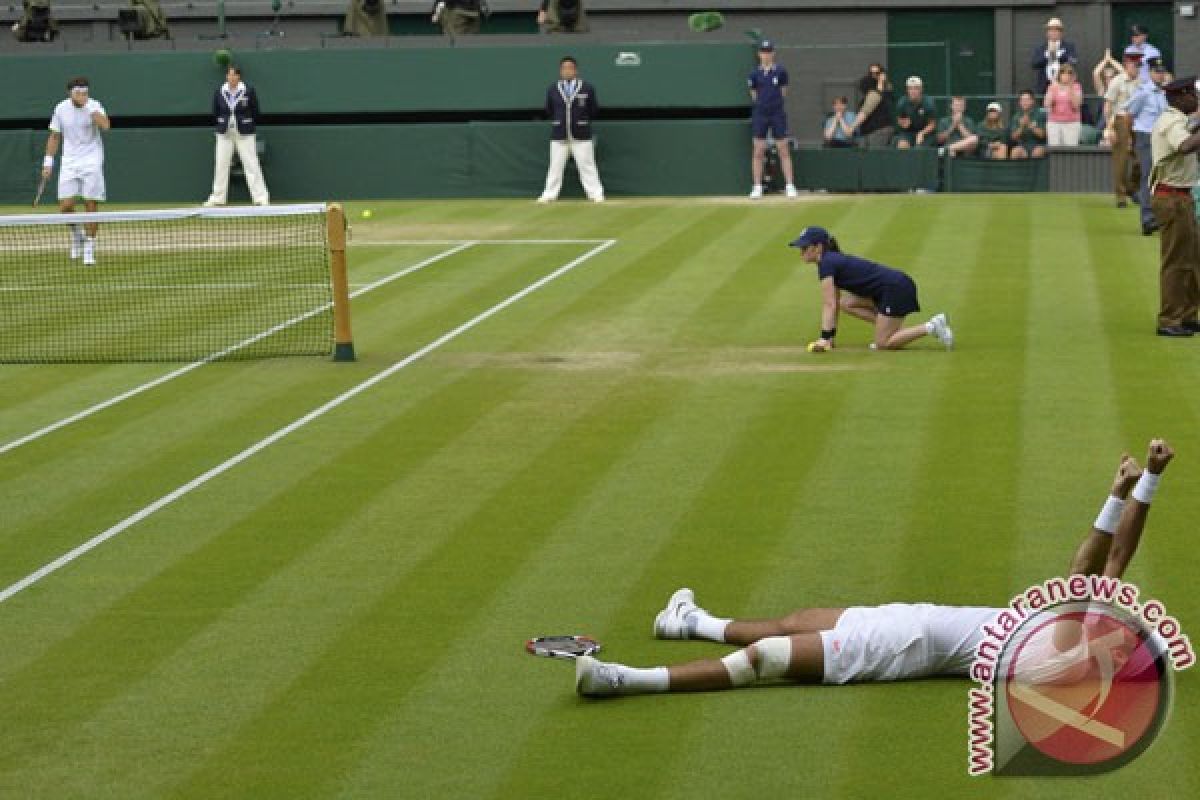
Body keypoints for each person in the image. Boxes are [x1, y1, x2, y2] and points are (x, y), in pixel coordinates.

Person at [575, 441, 1176, 697]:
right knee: (796, 621)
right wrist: (1150, 477)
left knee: (765, 662)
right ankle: (690, 621)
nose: (1127, 624)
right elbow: (1116, 559)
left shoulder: (1070, 657)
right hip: (912, 621)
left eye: (1131, 639)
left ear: (1119, 661)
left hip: (902, 646)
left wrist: (1116, 490)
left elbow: (1087, 565)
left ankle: (626, 679)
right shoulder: (1091, 639)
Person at [789, 225, 953, 352]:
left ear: (818, 247)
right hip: (888, 289)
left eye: (804, 248)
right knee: (846, 303)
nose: (801, 252)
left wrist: (823, 339)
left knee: (883, 344)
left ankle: (932, 326)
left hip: (895, 289)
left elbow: (829, 304)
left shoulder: (827, 263)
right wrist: (830, 338)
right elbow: (836, 304)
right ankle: (889, 328)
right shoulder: (829, 261)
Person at [1148, 77, 1200, 337]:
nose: (1196, 99)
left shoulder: (1179, 120)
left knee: (1191, 259)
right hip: (1172, 198)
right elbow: (1185, 145)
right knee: (1176, 261)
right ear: (1180, 97)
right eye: (1193, 95)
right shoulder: (1171, 122)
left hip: (1181, 196)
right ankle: (1169, 319)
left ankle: (1188, 315)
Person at [42, 77, 110, 267]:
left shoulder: (94, 105)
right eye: (78, 93)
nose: (82, 96)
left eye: (85, 93)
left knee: (91, 205)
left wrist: (88, 106)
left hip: (92, 160)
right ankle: (77, 235)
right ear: (70, 93)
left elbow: (105, 125)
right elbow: (55, 136)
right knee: (65, 206)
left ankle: (89, 247)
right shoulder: (61, 108)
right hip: (69, 161)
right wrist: (48, 162)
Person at [538, 56, 604, 203]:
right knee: (555, 167)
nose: (567, 71)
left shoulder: (587, 88)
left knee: (587, 166)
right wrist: (559, 121)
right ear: (560, 71)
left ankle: (596, 194)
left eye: (570, 68)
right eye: (564, 68)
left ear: (576, 70)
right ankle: (549, 195)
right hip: (559, 135)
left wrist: (581, 121)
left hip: (581, 135)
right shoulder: (553, 89)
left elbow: (593, 109)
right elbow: (549, 109)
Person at [203, 66, 269, 208]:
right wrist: (223, 124)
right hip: (224, 134)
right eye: (229, 75)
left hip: (245, 134)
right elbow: (215, 112)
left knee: (251, 164)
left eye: (234, 75)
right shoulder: (220, 91)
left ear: (239, 77)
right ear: (226, 76)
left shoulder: (248, 91)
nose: (231, 77)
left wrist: (246, 123)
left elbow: (256, 111)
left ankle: (261, 198)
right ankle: (217, 198)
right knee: (221, 165)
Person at [747, 40, 797, 199]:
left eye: (769, 52)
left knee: (783, 149)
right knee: (758, 150)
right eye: (763, 52)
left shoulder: (781, 72)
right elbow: (754, 94)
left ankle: (789, 185)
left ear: (773, 53)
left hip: (777, 113)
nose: (766, 55)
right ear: (759, 54)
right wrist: (762, 105)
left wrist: (774, 105)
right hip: (760, 114)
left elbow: (783, 92)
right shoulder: (754, 74)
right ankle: (757, 186)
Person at [1125, 58, 1170, 235]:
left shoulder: (1166, 92)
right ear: (1150, 73)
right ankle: (1147, 219)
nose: (1160, 75)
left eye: (1162, 72)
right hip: (1146, 136)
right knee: (1148, 177)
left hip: (1163, 137)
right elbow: (1129, 114)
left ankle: (1159, 216)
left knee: (1161, 179)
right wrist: (1131, 137)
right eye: (1156, 71)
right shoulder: (1143, 92)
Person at [1103, 51, 1143, 208]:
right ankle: (1120, 196)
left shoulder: (1141, 83)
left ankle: (1132, 188)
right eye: (1135, 65)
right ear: (1126, 65)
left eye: (1139, 65)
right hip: (1120, 120)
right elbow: (1107, 105)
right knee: (1121, 159)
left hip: (1138, 121)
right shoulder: (1117, 82)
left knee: (1140, 158)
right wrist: (1109, 127)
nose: (1137, 68)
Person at [850, 63, 894, 148]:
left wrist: (852, 127)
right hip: (867, 131)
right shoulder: (868, 83)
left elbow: (866, 111)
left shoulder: (884, 90)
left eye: (877, 73)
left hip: (879, 130)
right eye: (871, 73)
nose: (874, 75)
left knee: (874, 155)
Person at [1031, 17, 1078, 96]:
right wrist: (1047, 55)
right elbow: (1034, 63)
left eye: (1056, 30)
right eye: (1051, 30)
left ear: (1061, 33)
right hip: (1044, 87)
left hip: (1064, 86)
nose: (1053, 32)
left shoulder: (1069, 46)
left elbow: (1073, 61)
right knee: (1044, 107)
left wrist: (1058, 54)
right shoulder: (1040, 48)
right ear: (1047, 33)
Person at [1043, 64, 1083, 146]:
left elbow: (1076, 105)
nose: (1066, 76)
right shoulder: (1052, 87)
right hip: (1054, 123)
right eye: (1063, 73)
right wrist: (1054, 89)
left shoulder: (1076, 87)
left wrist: (1070, 88)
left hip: (1071, 123)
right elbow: (1047, 104)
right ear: (1059, 75)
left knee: (1070, 150)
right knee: (1054, 149)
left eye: (1069, 73)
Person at [894, 76, 935, 149]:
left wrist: (921, 133)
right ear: (907, 90)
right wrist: (903, 123)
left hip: (926, 133)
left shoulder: (928, 103)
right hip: (908, 132)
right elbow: (899, 120)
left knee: (919, 148)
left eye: (916, 88)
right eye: (910, 88)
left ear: (921, 89)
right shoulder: (902, 103)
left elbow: (932, 124)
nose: (913, 91)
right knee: (902, 145)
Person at [1009, 89, 1048, 159]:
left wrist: (1030, 125)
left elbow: (1042, 135)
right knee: (1015, 151)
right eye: (1022, 100)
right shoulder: (1016, 116)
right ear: (1019, 102)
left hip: (1039, 145)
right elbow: (1013, 137)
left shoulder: (1040, 114)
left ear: (1032, 101)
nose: (1024, 102)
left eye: (1027, 100)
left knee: (1037, 152)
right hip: (1023, 146)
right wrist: (1021, 127)